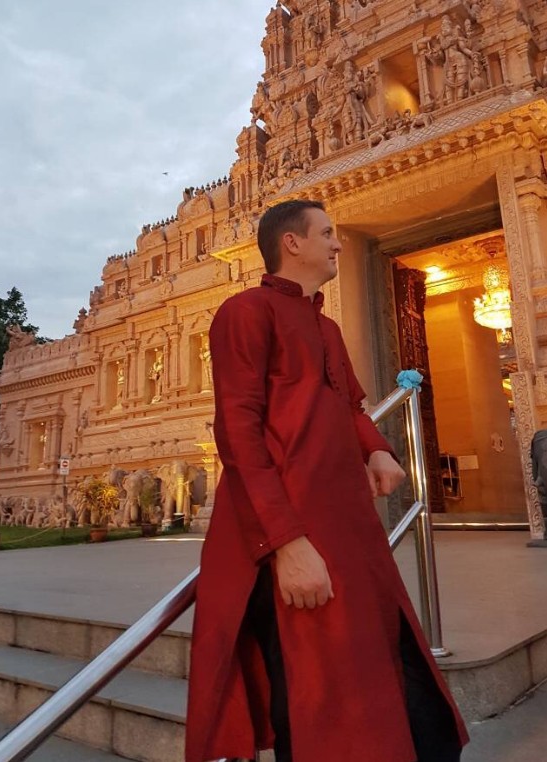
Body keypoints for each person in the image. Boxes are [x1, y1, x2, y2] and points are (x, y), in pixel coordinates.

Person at [185, 200, 468, 762]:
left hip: (351, 535)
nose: (338, 244)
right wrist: (288, 545)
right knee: (316, 704)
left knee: (413, 700)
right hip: (290, 533)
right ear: (292, 243)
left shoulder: (327, 327)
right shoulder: (246, 312)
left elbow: (350, 405)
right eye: (328, 234)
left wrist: (379, 450)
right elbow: (237, 433)